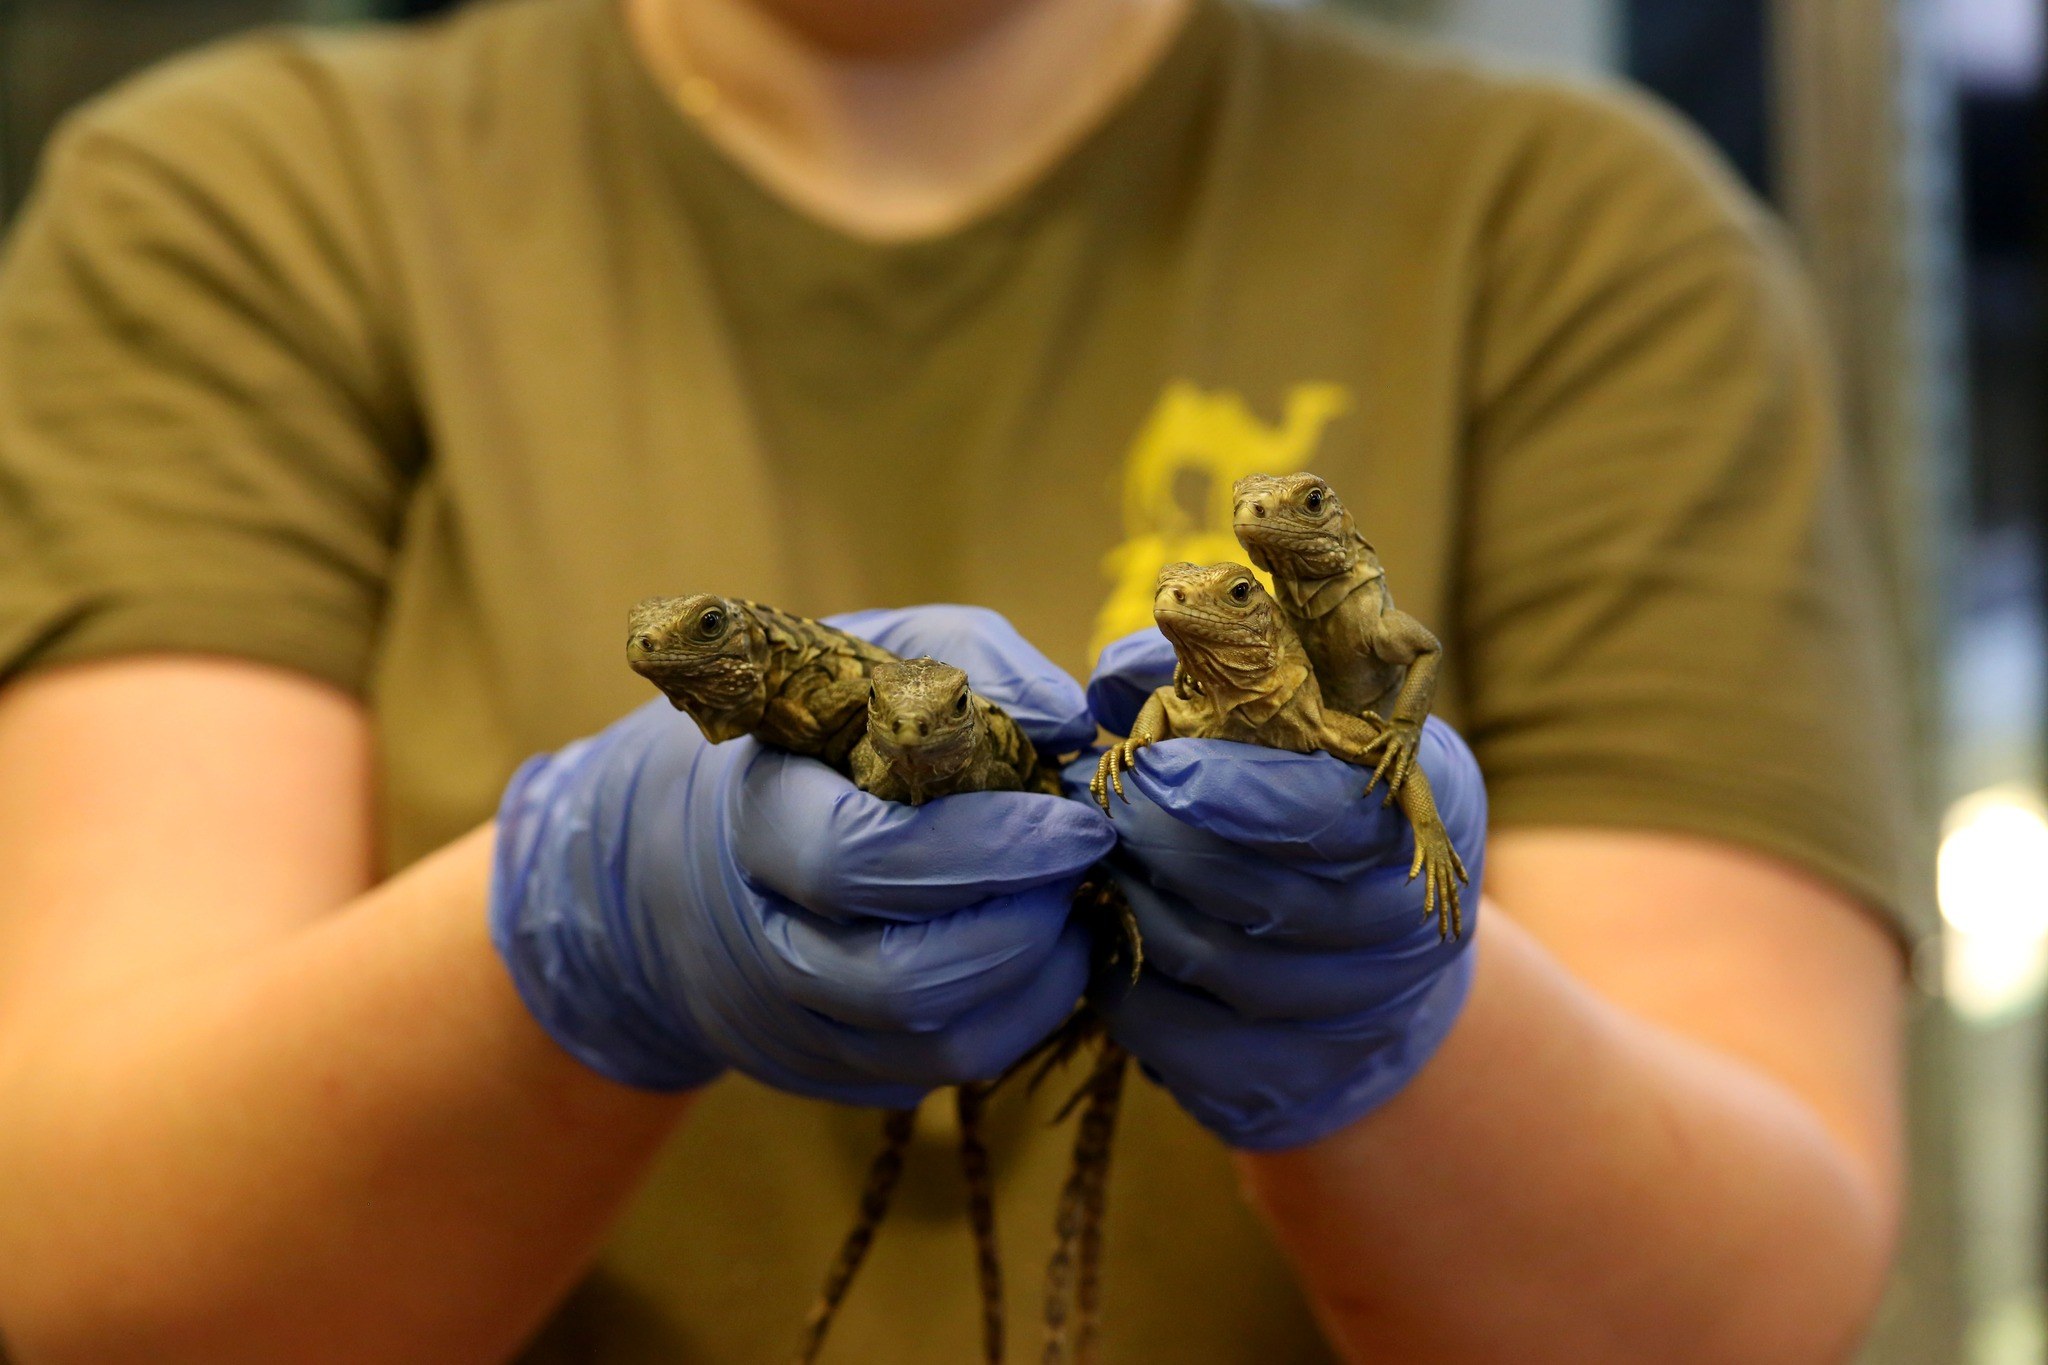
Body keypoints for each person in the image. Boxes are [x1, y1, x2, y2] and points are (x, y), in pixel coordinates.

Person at [0, 0, 1915, 1359]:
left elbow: (1738, 1303)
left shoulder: (1569, 236)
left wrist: (1388, 1004)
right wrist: (573, 922)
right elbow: (87, 1265)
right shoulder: (250, 203)